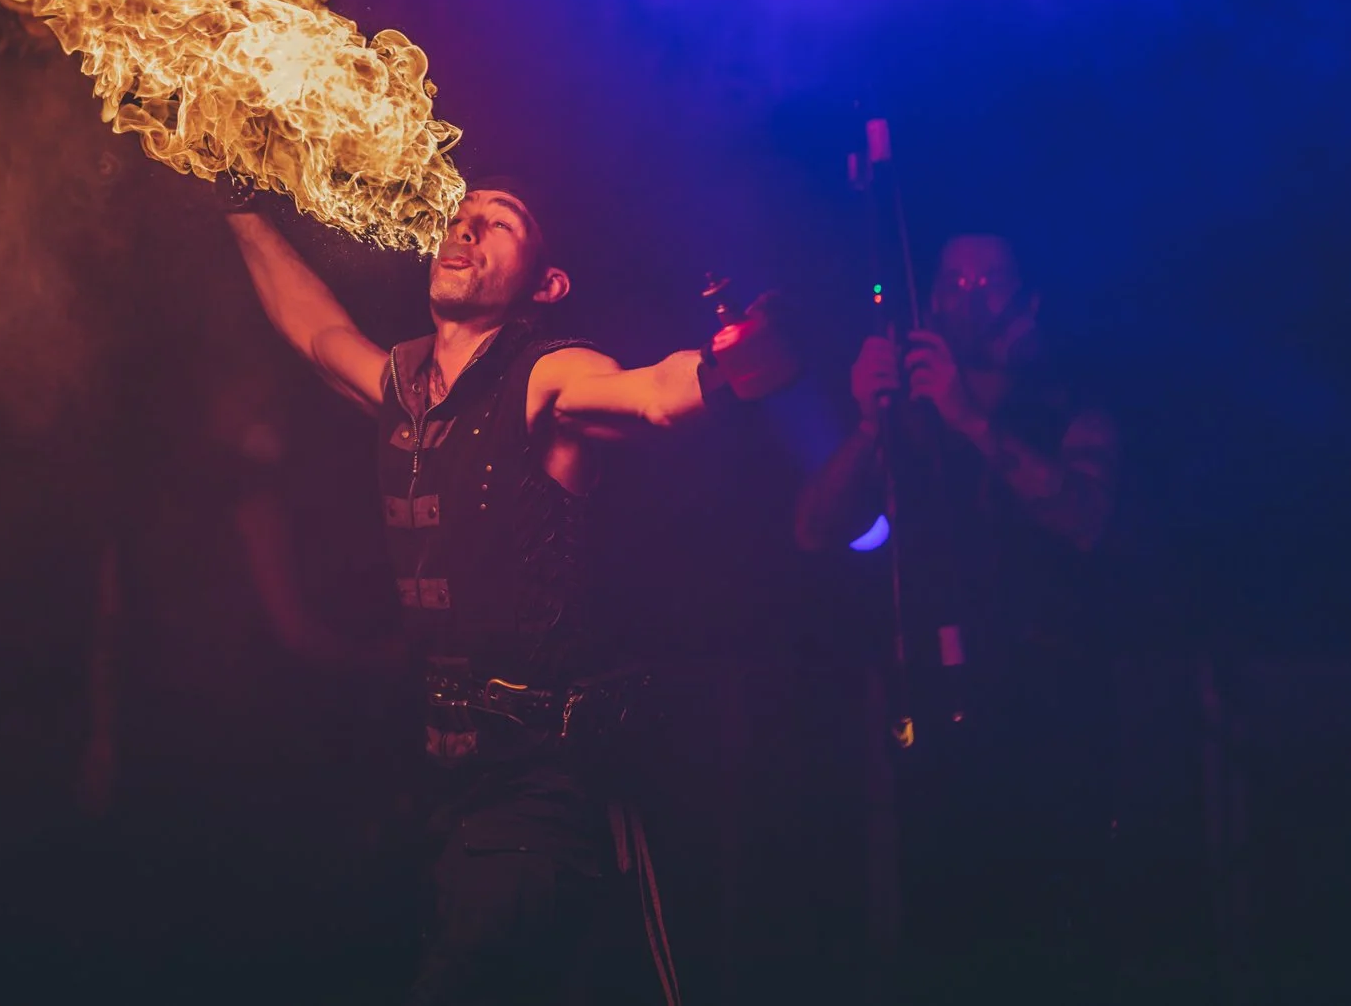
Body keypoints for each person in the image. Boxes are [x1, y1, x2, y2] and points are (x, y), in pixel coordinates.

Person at [224, 176, 791, 1005]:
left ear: (546, 284)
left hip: (544, 795)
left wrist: (734, 364)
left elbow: (653, 395)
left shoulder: (546, 375)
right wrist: (240, 206)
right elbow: (314, 331)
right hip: (445, 786)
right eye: (461, 216)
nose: (467, 228)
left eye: (500, 222)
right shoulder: (405, 385)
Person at [794, 233, 1118, 1001]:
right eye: (952, 280)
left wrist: (970, 418)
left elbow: (1087, 519)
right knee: (941, 926)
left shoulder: (1071, 406)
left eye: (987, 280)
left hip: (1050, 707)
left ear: (1028, 302)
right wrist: (868, 423)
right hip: (935, 707)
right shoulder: (910, 421)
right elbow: (813, 529)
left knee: (1052, 926)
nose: (965, 296)